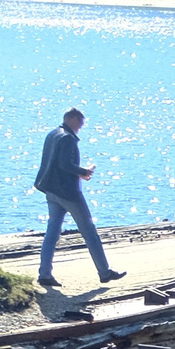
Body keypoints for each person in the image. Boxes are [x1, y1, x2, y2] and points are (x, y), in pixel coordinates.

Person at [33, 107, 118, 288]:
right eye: (80, 122)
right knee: (89, 232)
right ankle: (104, 272)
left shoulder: (53, 134)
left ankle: (44, 274)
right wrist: (83, 171)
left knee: (52, 233)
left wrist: (79, 172)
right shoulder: (67, 138)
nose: (81, 127)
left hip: (51, 191)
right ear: (72, 119)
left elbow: (55, 163)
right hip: (68, 193)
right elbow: (65, 164)